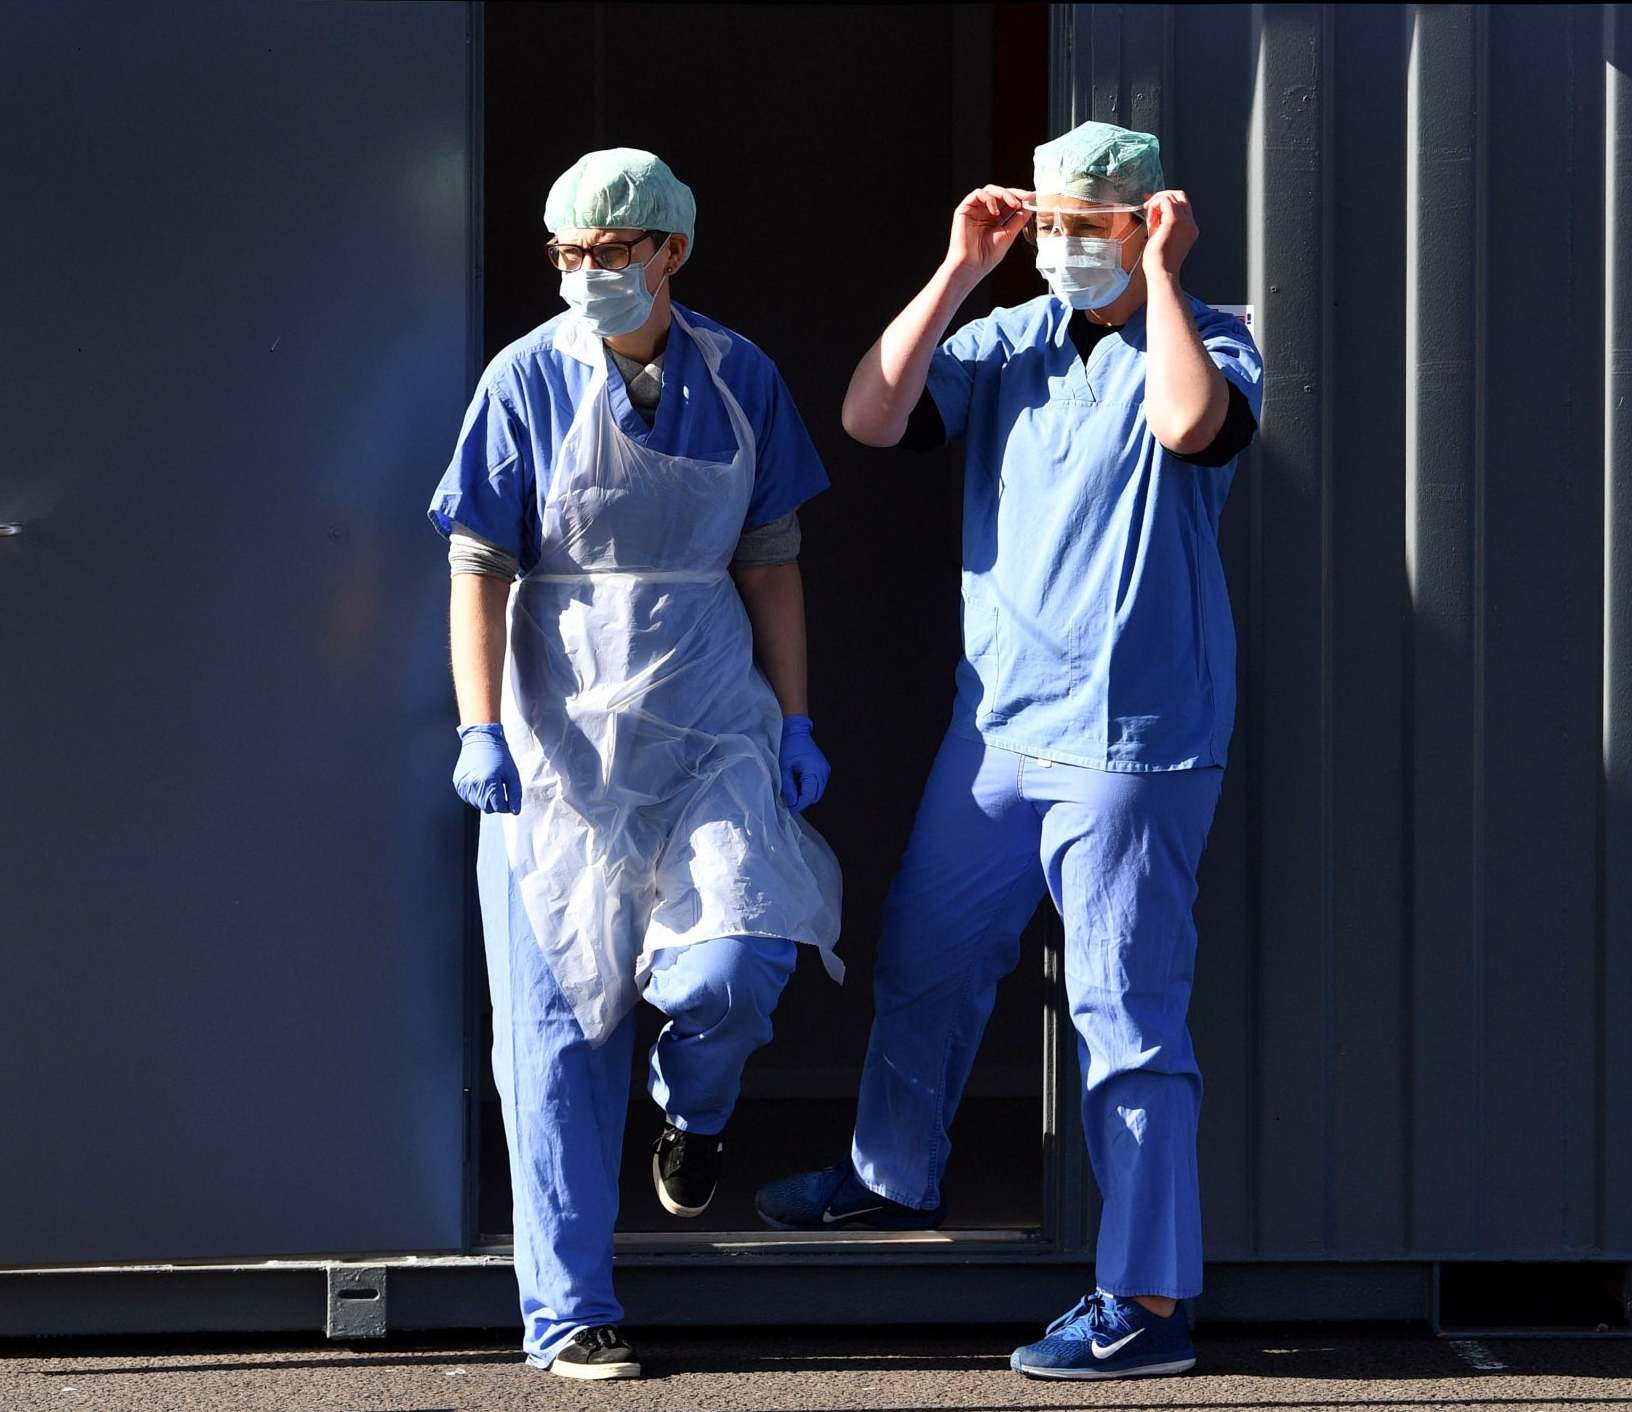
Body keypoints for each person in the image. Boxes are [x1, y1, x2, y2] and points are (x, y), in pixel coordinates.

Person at [754, 121, 1261, 1381]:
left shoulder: (1206, 332)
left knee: (1125, 1014)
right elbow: (871, 415)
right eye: (1050, 223)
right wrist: (960, 267)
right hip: (1001, 726)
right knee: (925, 950)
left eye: (1091, 224)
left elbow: (1196, 426)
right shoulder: (1007, 344)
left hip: (1130, 744)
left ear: (1144, 221)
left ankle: (1146, 1303)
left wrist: (1161, 276)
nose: (1064, 246)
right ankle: (888, 1176)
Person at [430, 147, 842, 1381]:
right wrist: (480, 724)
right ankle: (567, 1309)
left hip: (709, 714)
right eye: (568, 254)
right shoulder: (524, 380)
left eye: (613, 252)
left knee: (735, 960)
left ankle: (695, 1108)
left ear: (671, 250)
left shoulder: (739, 373)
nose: (589, 273)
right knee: (555, 1029)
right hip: (560, 731)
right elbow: (476, 568)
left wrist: (797, 714)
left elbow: (770, 558)